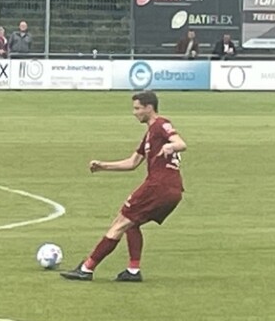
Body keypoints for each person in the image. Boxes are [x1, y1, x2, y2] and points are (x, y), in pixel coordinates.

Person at [61, 91, 186, 282]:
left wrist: (171, 146)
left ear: (149, 107)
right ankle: (133, 271)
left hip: (158, 186)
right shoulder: (150, 133)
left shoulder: (161, 124)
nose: (134, 113)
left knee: (120, 223)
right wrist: (103, 166)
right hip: (172, 190)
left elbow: (180, 143)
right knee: (131, 224)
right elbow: (132, 162)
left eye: (137, 108)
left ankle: (87, 268)